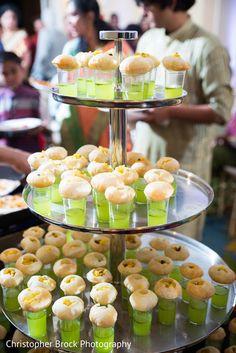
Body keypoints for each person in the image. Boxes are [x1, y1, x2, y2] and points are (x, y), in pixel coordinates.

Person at [130, 0, 233, 239]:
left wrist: (171, 111)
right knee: (140, 244)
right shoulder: (148, 40)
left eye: (148, 5)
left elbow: (222, 110)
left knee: (176, 248)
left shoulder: (207, 47)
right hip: (144, 162)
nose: (143, 11)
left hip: (183, 168)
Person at [58, 0, 132, 153]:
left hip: (109, 124)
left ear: (90, 16)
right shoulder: (72, 49)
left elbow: (129, 86)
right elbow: (67, 85)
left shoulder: (116, 48)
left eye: (74, 15)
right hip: (76, 122)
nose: (69, 21)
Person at [0, 51, 44, 152]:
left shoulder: (34, 95)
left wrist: (41, 127)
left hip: (29, 151)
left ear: (22, 70)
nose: (10, 77)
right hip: (5, 151)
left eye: (13, 71)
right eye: (4, 73)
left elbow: (44, 121)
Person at [31, 9, 67, 81]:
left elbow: (42, 56)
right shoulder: (63, 34)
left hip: (48, 77)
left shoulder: (44, 33)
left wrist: (34, 74)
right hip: (62, 75)